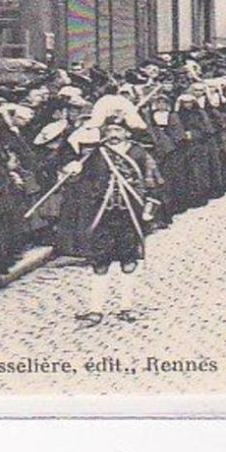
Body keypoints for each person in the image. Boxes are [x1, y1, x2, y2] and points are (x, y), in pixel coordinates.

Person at [58, 117, 162, 325]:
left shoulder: (140, 154)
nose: (113, 134)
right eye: (110, 130)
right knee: (100, 261)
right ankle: (95, 310)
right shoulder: (95, 155)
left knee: (129, 261)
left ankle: (126, 307)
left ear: (127, 133)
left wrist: (148, 211)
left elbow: (154, 184)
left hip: (130, 215)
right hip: (102, 216)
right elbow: (80, 182)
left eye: (118, 130)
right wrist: (72, 172)